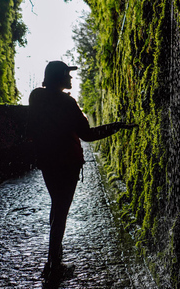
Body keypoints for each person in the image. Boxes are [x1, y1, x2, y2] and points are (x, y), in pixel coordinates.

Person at [27, 60, 137, 279]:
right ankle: (53, 267)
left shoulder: (36, 97)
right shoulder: (68, 103)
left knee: (57, 208)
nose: (71, 78)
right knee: (61, 212)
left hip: (48, 162)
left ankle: (53, 262)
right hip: (67, 164)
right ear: (59, 77)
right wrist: (116, 126)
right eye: (67, 74)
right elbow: (87, 135)